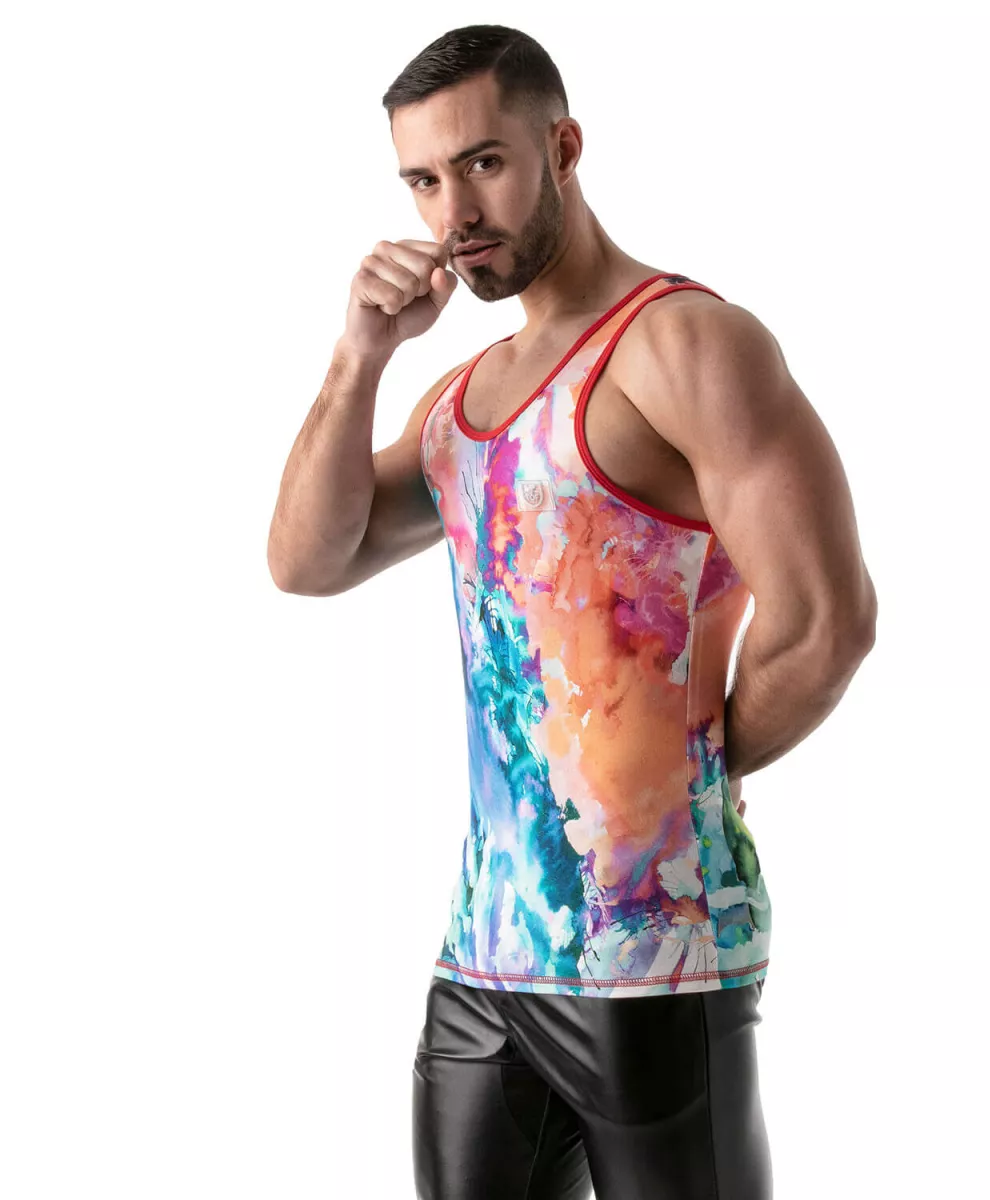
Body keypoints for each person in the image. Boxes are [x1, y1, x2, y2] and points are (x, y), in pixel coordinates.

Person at [267, 23, 877, 1200]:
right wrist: (359, 358)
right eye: (423, 181)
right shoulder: (464, 400)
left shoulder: (685, 345)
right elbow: (307, 559)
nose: (455, 212)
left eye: (484, 163)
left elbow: (826, 624)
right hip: (486, 960)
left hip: (660, 953)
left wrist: (693, 772)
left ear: (564, 147)